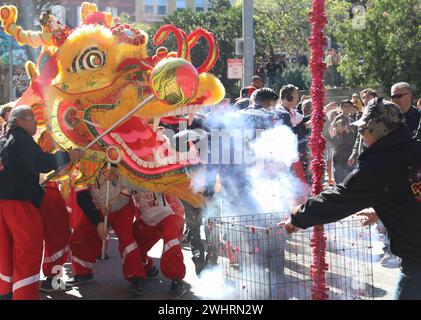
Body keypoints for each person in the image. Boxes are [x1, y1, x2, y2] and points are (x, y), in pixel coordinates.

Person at [280, 98, 421, 300]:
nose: (361, 135)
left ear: (379, 129)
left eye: (364, 130)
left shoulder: (380, 164)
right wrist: (381, 210)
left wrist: (297, 218)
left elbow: (339, 198)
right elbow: (407, 193)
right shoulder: (414, 149)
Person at [0, 105, 84, 300]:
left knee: (5, 252)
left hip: (3, 202)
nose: (35, 125)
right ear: (21, 121)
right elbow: (41, 162)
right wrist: (68, 156)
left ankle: (6, 292)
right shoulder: (21, 138)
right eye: (32, 120)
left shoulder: (3, 139)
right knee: (28, 251)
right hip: (20, 204)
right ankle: (24, 295)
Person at [69, 165, 147, 296]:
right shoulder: (82, 163)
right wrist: (97, 222)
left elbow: (134, 186)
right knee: (78, 239)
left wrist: (116, 178)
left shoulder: (121, 156)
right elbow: (81, 196)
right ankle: (83, 273)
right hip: (97, 207)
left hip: (121, 206)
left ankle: (137, 277)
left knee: (126, 239)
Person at [132, 190, 187, 299]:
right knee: (131, 243)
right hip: (147, 220)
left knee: (171, 242)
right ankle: (144, 268)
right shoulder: (127, 177)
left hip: (170, 214)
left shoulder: (159, 173)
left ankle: (177, 280)